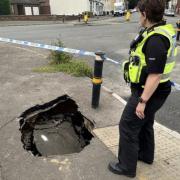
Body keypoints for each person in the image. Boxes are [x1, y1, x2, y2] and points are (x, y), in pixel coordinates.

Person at [108, 0, 177, 178]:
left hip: (149, 91)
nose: (139, 16)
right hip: (154, 90)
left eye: (140, 13)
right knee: (145, 123)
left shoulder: (155, 39)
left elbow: (155, 74)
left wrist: (142, 101)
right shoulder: (158, 30)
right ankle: (146, 156)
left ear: (145, 14)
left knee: (128, 125)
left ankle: (126, 167)